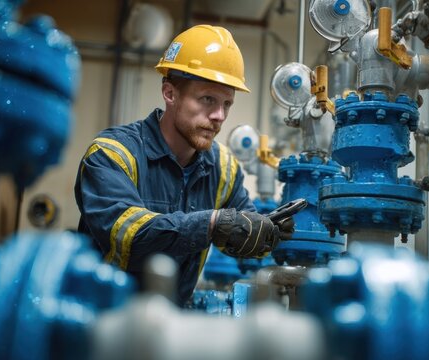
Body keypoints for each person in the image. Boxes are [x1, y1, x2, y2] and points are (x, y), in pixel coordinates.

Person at [74, 24, 293, 304]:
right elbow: (128, 236)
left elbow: (242, 235)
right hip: (101, 324)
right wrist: (212, 224)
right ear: (170, 93)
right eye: (207, 99)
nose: (219, 116)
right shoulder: (112, 154)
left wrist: (268, 232)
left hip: (171, 330)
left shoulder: (223, 167)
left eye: (227, 103)